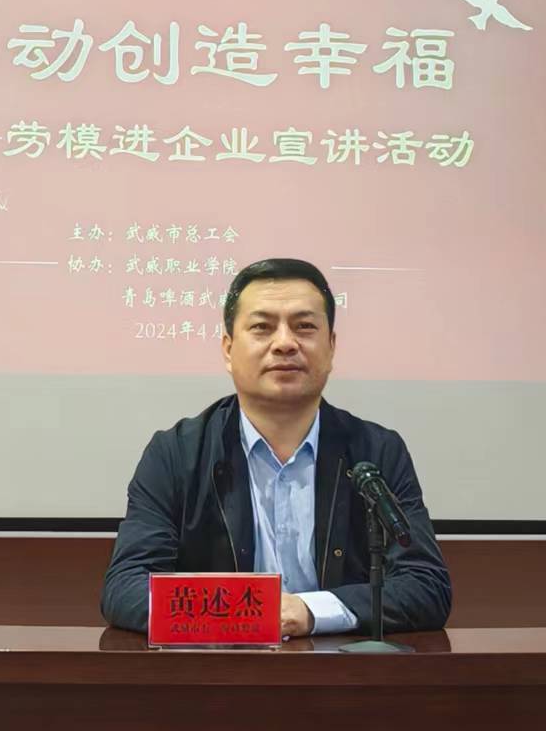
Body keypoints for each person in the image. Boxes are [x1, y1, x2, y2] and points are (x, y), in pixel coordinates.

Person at [101, 257, 451, 638]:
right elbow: (126, 588)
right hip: (218, 667)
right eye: (262, 327)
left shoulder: (377, 452)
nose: (285, 343)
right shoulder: (176, 454)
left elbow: (425, 585)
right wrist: (249, 616)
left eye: (304, 327)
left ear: (331, 347)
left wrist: (310, 611)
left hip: (339, 668)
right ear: (228, 349)